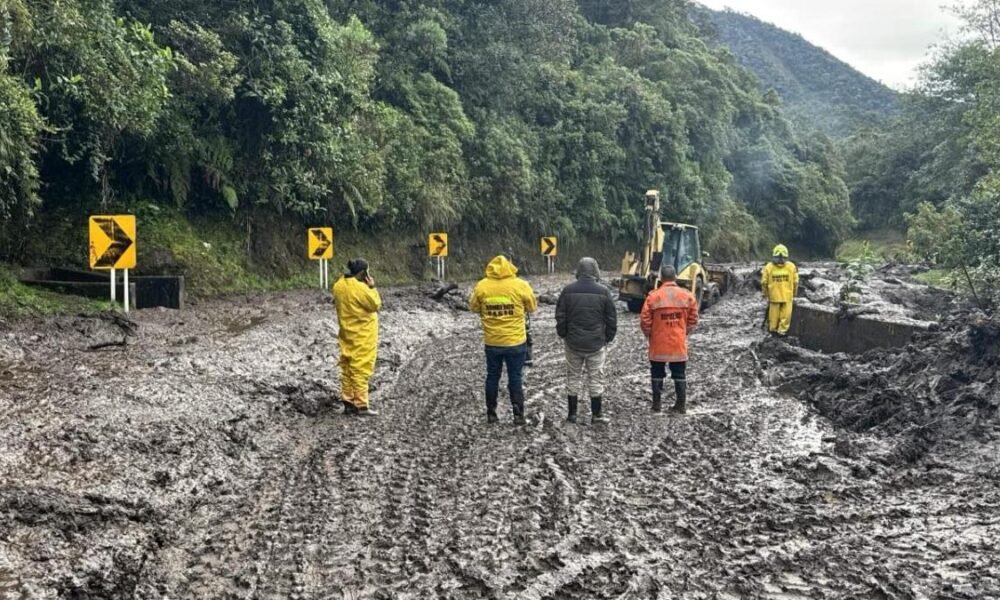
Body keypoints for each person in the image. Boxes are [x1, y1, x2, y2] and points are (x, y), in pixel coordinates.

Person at [470, 255, 538, 425]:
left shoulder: (482, 286)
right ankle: (518, 414)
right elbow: (532, 307)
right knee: (515, 377)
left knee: (492, 376)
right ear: (510, 267)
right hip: (516, 341)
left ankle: (491, 414)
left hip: (492, 341)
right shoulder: (520, 285)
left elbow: (473, 307)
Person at [556, 257, 617, 424]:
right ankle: (596, 415)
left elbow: (560, 316)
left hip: (573, 342)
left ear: (579, 271)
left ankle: (572, 414)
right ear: (595, 271)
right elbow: (611, 318)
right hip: (596, 343)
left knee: (573, 377)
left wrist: (564, 334)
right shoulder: (604, 291)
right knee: (596, 377)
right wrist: (607, 338)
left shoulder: (567, 291)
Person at [640, 265, 699, 414]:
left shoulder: (653, 297)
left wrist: (649, 334)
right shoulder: (687, 296)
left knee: (657, 372)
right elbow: (693, 318)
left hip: (658, 344)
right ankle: (680, 405)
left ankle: (656, 405)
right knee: (679, 373)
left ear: (661, 278)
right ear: (675, 278)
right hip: (678, 343)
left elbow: (645, 320)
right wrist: (684, 332)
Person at [333, 258, 382, 416]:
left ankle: (348, 401)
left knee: (347, 367)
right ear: (363, 273)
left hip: (346, 333)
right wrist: (372, 287)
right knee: (361, 368)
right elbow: (375, 304)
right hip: (363, 335)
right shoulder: (360, 289)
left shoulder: (339, 285)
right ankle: (361, 405)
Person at [761, 244, 799, 336]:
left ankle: (772, 331)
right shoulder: (791, 266)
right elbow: (796, 282)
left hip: (774, 296)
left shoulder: (769, 267)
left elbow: (763, 282)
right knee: (786, 316)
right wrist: (794, 293)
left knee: (773, 316)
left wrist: (765, 294)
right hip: (787, 296)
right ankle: (781, 332)